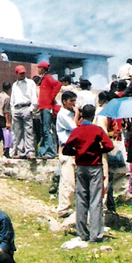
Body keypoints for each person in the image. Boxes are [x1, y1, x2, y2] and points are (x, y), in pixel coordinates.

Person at [62, 104, 114, 243]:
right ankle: (95, 235)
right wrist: (97, 151)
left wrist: (78, 152)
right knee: (95, 200)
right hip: (95, 166)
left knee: (81, 199)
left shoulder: (76, 131)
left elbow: (66, 149)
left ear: (82, 115)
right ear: (93, 116)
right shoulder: (97, 130)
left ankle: (81, 233)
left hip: (80, 167)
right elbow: (109, 146)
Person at [55, 91, 78, 219]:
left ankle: (68, 205)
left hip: (73, 148)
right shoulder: (62, 114)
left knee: (72, 180)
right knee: (67, 179)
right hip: (66, 148)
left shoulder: (70, 114)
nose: (73, 104)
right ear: (64, 101)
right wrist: (78, 114)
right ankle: (63, 207)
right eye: (71, 101)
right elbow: (73, 127)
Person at [10, 66, 38, 159]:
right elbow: (12, 99)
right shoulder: (15, 85)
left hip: (26, 107)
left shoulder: (30, 83)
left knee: (28, 130)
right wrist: (13, 110)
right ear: (16, 73)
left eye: (23, 73)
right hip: (17, 108)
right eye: (20, 73)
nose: (23, 74)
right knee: (17, 131)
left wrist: (31, 108)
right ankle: (20, 151)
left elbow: (34, 96)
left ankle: (29, 151)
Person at [37, 61, 62, 159]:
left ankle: (50, 152)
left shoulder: (47, 78)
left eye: (39, 68)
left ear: (43, 69)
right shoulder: (44, 79)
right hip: (43, 107)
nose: (38, 70)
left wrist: (51, 97)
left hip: (47, 107)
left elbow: (58, 84)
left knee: (46, 130)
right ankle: (43, 151)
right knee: (44, 130)